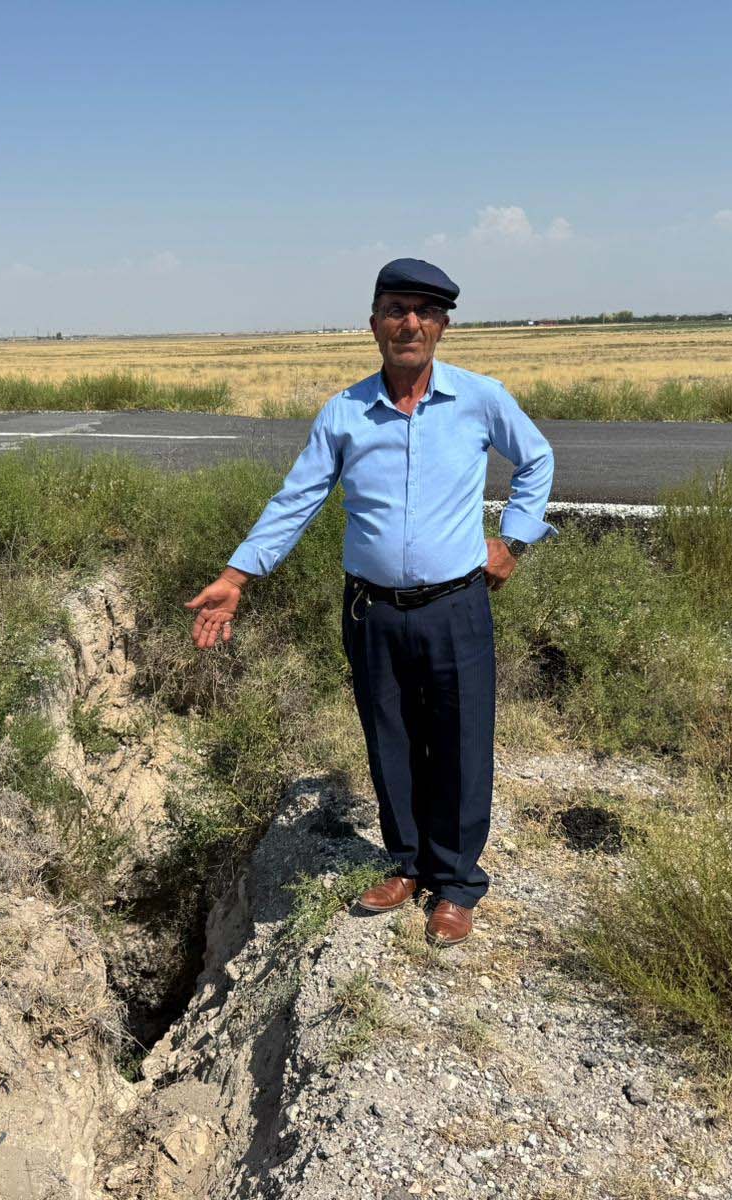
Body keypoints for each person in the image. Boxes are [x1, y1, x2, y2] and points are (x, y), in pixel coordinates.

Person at [185, 258, 556, 947]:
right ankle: (408, 863)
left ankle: (457, 884)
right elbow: (297, 498)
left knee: (461, 742)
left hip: (455, 606)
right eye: (394, 309)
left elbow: (536, 459)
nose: (408, 323)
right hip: (373, 612)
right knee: (389, 739)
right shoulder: (347, 412)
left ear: (443, 325)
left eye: (423, 310)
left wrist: (513, 540)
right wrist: (237, 577)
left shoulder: (479, 398)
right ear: (374, 324)